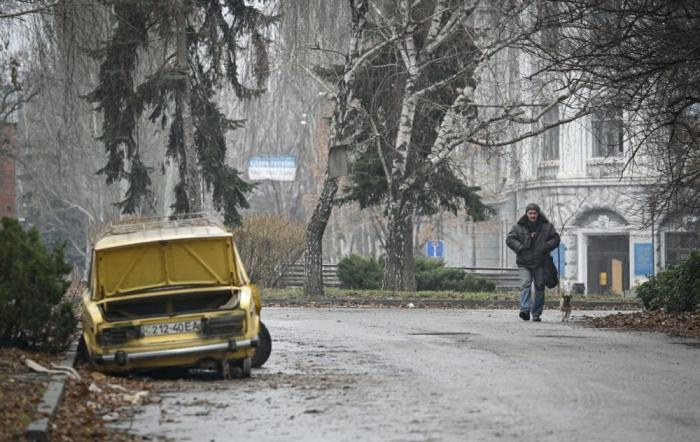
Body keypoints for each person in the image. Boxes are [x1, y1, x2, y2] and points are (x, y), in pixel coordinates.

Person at [506, 203, 560, 322]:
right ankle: (524, 310)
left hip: (541, 262)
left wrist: (546, 246)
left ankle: (536, 313)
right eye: (530, 213)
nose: (532, 215)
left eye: (534, 213)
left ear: (538, 213)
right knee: (525, 285)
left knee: (540, 287)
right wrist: (520, 247)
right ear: (526, 214)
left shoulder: (547, 226)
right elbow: (510, 239)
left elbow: (556, 238)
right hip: (524, 262)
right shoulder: (518, 226)